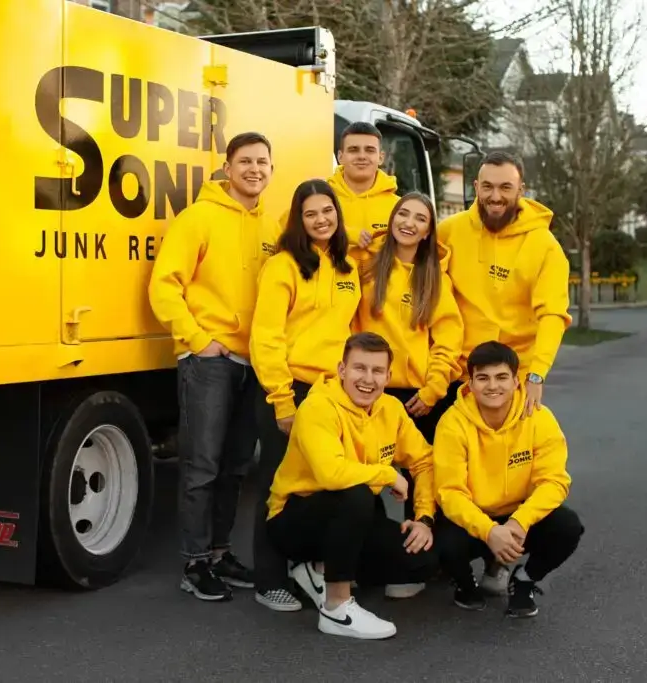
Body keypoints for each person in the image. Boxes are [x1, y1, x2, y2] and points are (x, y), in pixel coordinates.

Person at [148, 131, 280, 602]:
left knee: (235, 467)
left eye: (262, 162)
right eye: (245, 161)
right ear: (227, 166)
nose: (254, 169)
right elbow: (164, 286)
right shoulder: (198, 218)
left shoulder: (273, 228)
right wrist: (199, 341)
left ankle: (221, 553)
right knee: (201, 465)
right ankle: (195, 563)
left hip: (254, 363)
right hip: (211, 361)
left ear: (271, 168)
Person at [437, 150, 572, 591]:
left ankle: (501, 556)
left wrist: (535, 376)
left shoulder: (543, 246)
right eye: (487, 187)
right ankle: (443, 562)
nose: (496, 196)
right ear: (475, 188)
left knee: (510, 469)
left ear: (521, 191)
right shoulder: (451, 232)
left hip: (512, 380)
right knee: (449, 472)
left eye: (505, 187)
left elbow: (553, 313)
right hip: (457, 371)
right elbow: (405, 257)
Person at [265, 332, 438, 639]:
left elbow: (424, 461)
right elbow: (332, 474)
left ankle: (318, 570)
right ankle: (336, 608)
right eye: (359, 368)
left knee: (420, 560)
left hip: (351, 518)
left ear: (388, 375)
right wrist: (387, 475)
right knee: (355, 494)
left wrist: (424, 518)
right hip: (295, 519)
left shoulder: (391, 409)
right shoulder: (318, 408)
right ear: (342, 370)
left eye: (377, 371)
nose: (368, 379)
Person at [248, 179, 361, 612]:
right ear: (298, 219)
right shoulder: (282, 267)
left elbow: (348, 334)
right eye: (311, 213)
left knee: (321, 483)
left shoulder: (346, 266)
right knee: (278, 484)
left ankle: (311, 568)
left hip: (331, 394)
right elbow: (267, 338)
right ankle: (269, 579)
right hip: (289, 388)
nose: (321, 220)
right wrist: (281, 399)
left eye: (327, 211)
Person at [433, 341, 584, 618]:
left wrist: (519, 521)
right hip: (474, 518)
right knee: (440, 541)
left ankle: (524, 581)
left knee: (568, 526)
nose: (493, 386)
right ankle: (466, 585)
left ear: (517, 381)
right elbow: (449, 493)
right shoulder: (452, 423)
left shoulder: (539, 417)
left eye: (502, 377)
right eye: (483, 378)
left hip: (518, 517)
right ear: (470, 382)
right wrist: (489, 531)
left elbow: (554, 482)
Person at [355, 191, 464, 520]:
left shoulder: (434, 279)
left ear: (428, 231)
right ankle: (365, 553)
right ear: (391, 220)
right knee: (362, 477)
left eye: (420, 218)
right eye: (403, 214)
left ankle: (422, 548)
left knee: (423, 475)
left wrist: (433, 389)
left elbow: (448, 338)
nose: (409, 223)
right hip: (366, 388)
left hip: (415, 394)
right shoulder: (366, 264)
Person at [282, 122, 400, 250]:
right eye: (353, 150)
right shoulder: (317, 198)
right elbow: (288, 238)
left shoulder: (398, 208)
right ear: (340, 156)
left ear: (381, 157)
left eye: (369, 150)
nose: (361, 156)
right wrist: (343, 234)